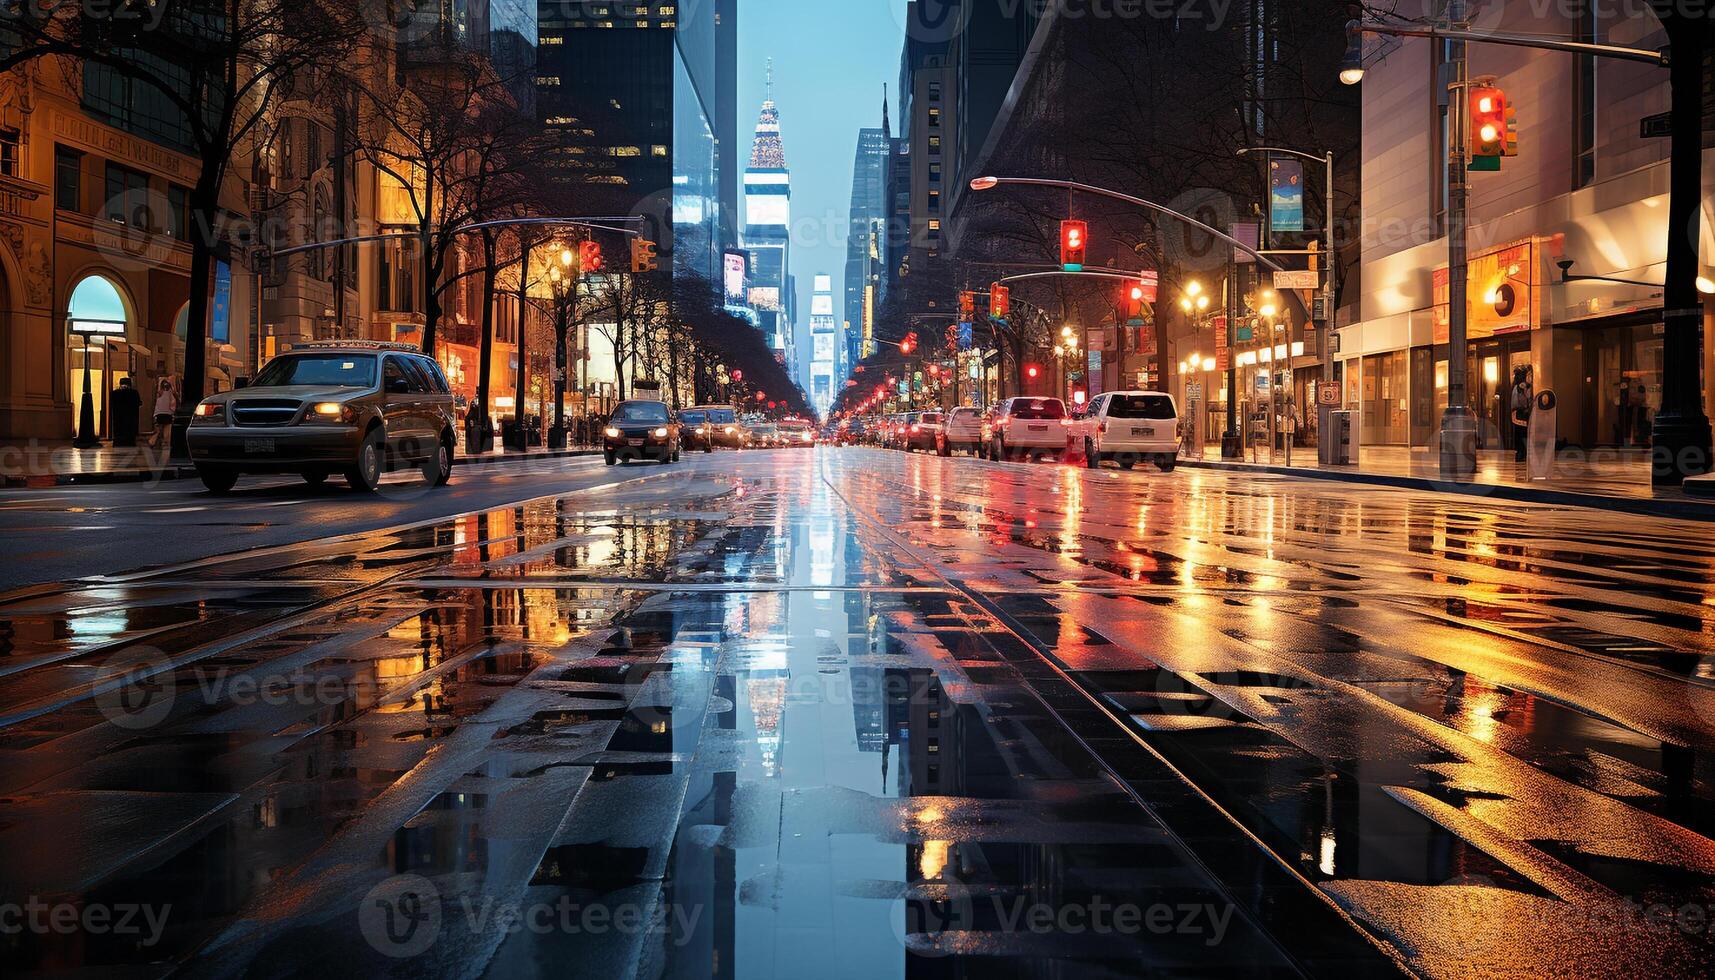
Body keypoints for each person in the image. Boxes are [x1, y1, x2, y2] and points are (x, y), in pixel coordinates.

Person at [146, 376, 178, 451]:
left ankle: (153, 442)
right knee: (166, 431)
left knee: (159, 430)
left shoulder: (158, 392)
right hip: (167, 413)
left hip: (159, 413)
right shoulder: (171, 391)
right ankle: (163, 444)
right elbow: (175, 395)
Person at [110, 377, 143, 447]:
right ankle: (129, 442)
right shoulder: (134, 393)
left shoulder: (115, 393)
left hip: (118, 417)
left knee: (118, 431)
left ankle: (118, 442)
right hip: (131, 417)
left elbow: (112, 403)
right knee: (130, 431)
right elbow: (139, 403)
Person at [1509, 366, 1532, 462]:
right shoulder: (1522, 387)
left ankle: (1520, 453)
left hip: (1517, 413)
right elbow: (1525, 401)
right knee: (1522, 434)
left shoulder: (1516, 387)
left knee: (1519, 434)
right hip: (1521, 413)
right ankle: (1521, 453)